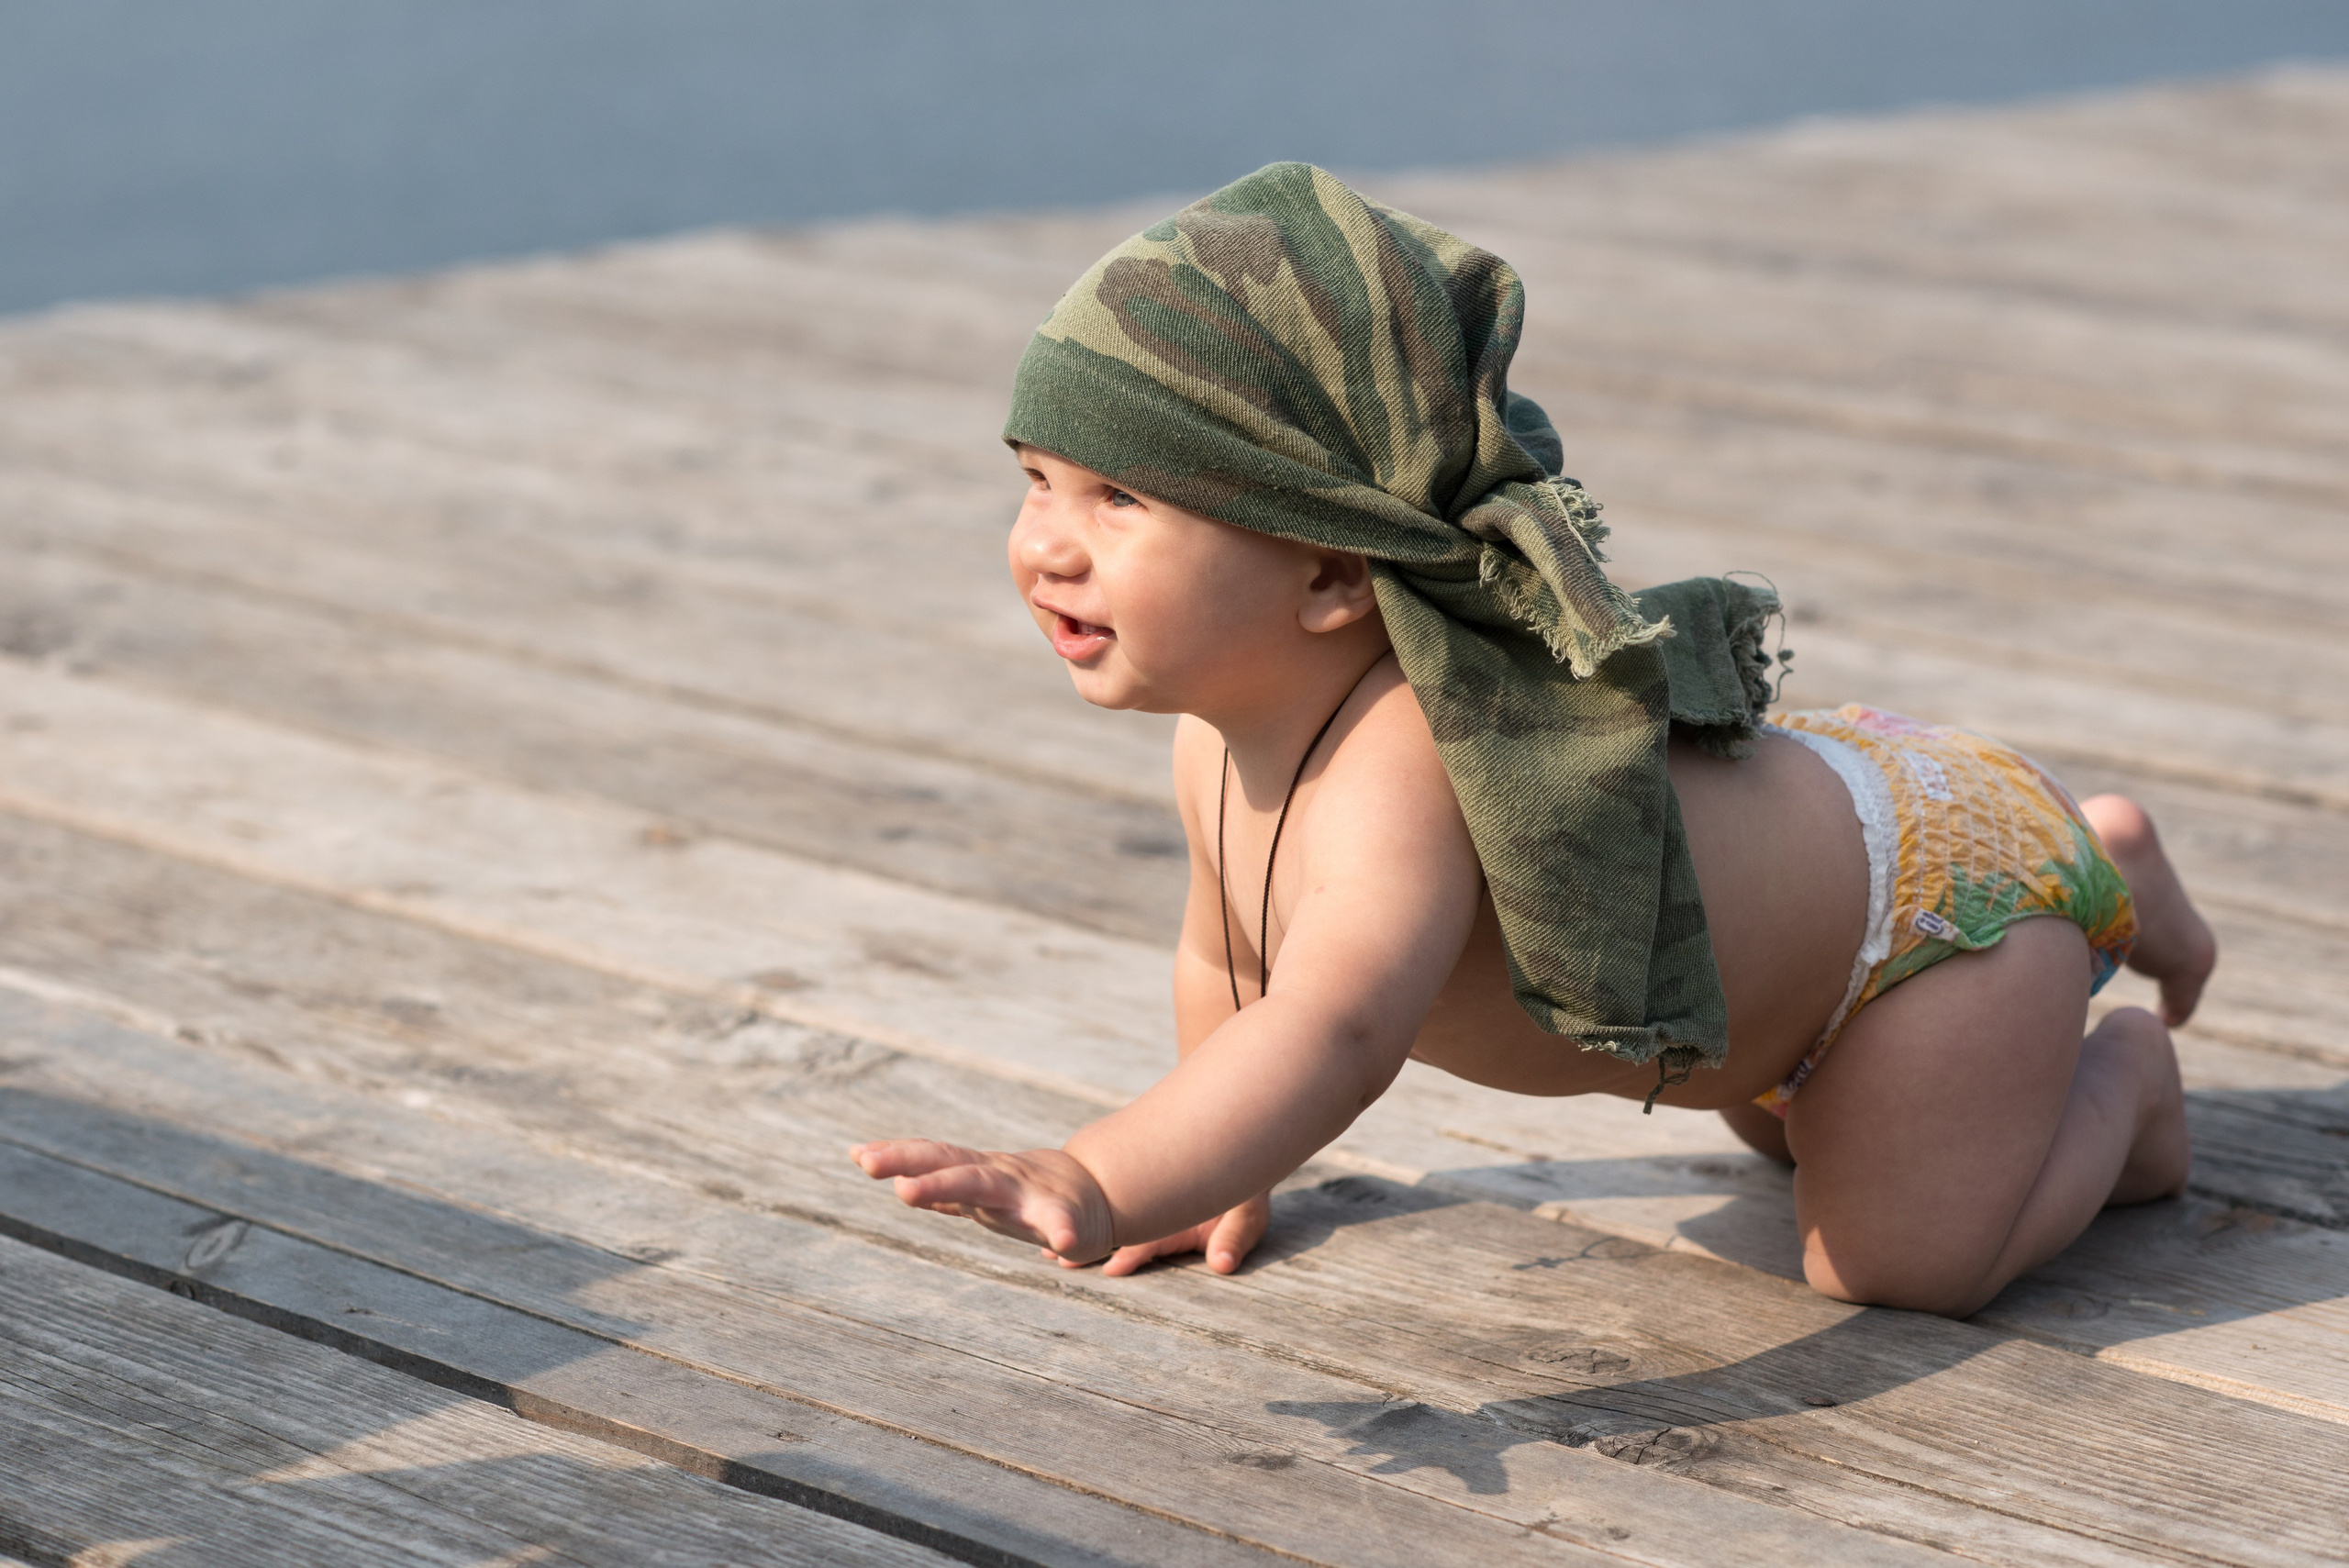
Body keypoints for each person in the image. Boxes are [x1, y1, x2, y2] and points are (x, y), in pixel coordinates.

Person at [851, 164, 2214, 1318]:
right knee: (1781, 1130)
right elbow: (1232, 964)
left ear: (1332, 574)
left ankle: (2112, 1017)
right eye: (1035, 481)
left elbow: (1332, 1022)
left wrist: (1099, 1173)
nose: (1046, 545)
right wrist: (1209, 1161)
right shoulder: (1222, 739)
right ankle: (2081, 874)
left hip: (1926, 924)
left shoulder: (1413, 755)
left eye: (1117, 499)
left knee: (1900, 1260)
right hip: (1776, 994)